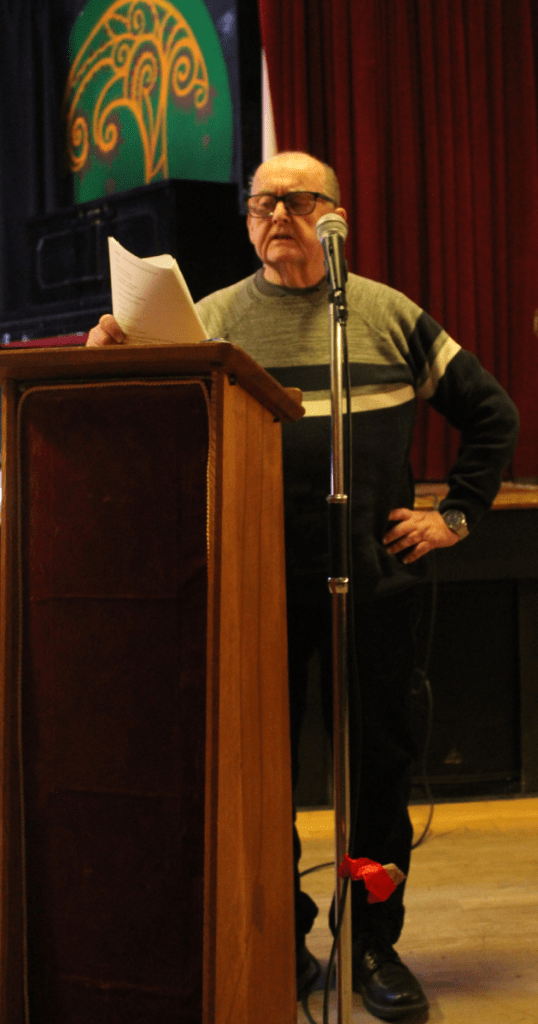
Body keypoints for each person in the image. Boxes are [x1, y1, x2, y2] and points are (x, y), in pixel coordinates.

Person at [87, 151, 519, 1021]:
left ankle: (372, 944)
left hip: (378, 587)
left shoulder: (388, 313)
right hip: (257, 592)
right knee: (262, 775)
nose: (274, 213)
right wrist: (112, 359)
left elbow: (492, 415)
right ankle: (280, 934)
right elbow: (152, 425)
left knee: (378, 772)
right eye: (260, 202)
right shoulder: (213, 319)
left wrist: (456, 516)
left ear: (335, 216)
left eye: (294, 199)